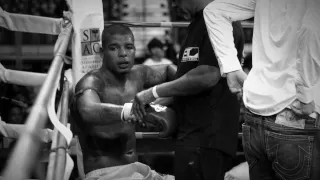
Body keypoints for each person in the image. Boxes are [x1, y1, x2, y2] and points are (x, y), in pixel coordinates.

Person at [203, 0, 320, 179]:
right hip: (296, 114)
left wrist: (231, 67)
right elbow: (312, 30)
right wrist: (304, 94)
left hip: (255, 116)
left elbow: (215, 11)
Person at [131, 0, 245, 179]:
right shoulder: (199, 23)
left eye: (176, 0)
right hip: (195, 136)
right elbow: (191, 80)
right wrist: (159, 102)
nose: (174, 6)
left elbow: (207, 76)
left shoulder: (218, 20)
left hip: (207, 137)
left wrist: (152, 92)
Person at [71, 24, 177, 179]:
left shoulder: (138, 74)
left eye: (129, 47)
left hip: (137, 169)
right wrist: (134, 111)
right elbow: (88, 110)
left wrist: (184, 89)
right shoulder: (92, 82)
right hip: (105, 174)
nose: (123, 54)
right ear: (102, 52)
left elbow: (169, 70)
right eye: (114, 48)